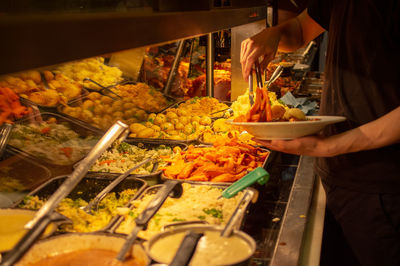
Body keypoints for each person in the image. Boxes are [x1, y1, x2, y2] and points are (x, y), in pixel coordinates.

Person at [240, 1, 400, 266]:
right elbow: (300, 31)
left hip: (382, 186)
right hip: (339, 174)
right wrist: (275, 33)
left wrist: (329, 146)